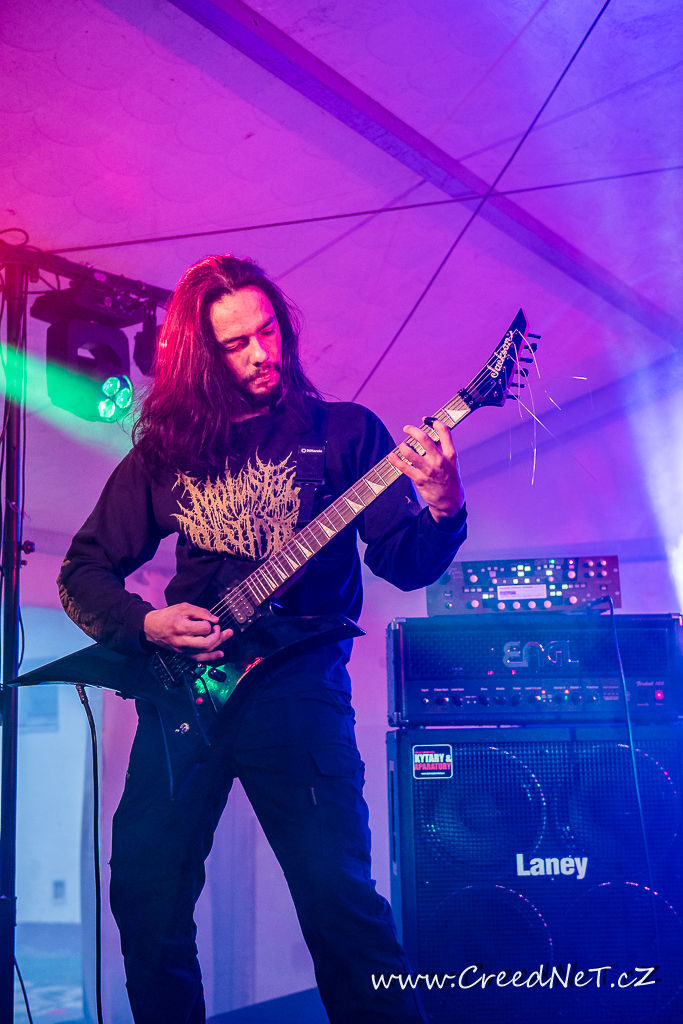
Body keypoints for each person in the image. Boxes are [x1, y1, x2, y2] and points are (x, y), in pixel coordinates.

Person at [58, 254, 467, 1024]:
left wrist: (444, 506)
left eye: (268, 331)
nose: (261, 353)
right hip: (183, 696)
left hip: (296, 692)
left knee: (339, 905)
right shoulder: (166, 455)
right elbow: (82, 570)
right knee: (144, 896)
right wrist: (146, 622)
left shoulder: (343, 433)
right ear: (201, 356)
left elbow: (404, 561)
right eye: (236, 344)